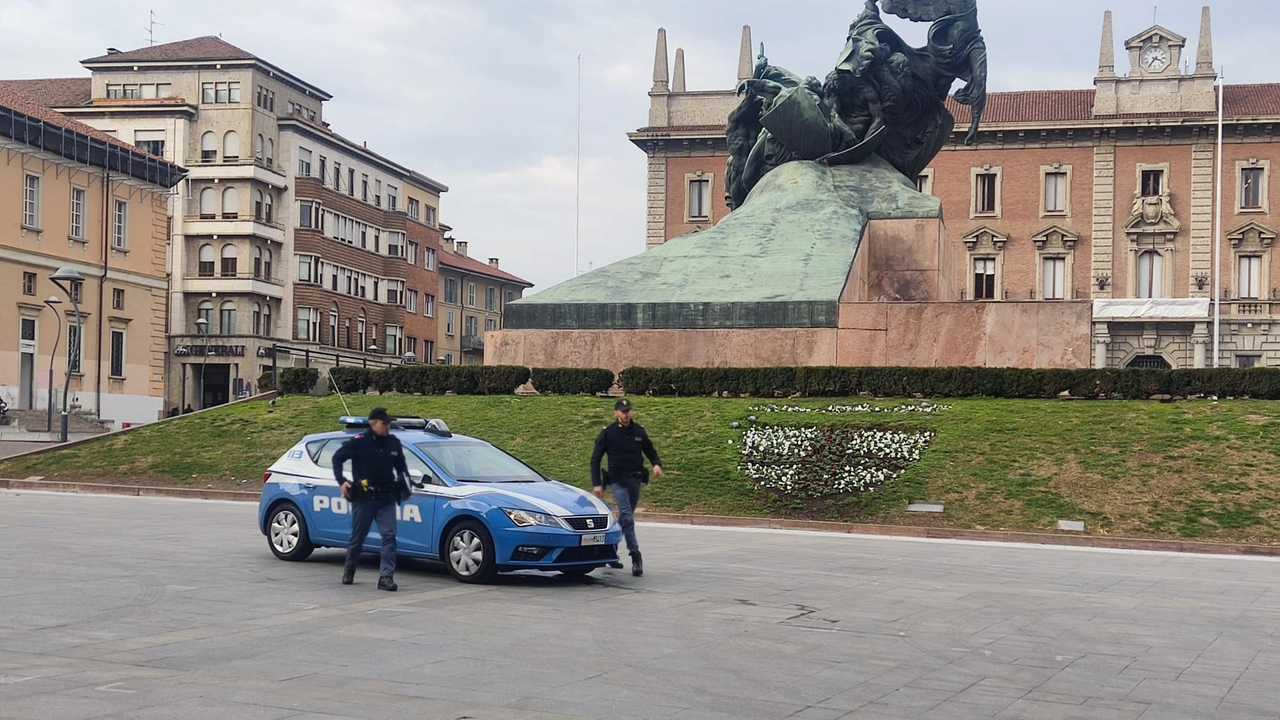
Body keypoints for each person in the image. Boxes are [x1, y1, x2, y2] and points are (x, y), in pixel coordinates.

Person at [332, 407, 411, 591]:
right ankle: (350, 568)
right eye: (385, 423)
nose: (388, 426)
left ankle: (386, 577)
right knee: (358, 537)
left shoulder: (393, 443)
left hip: (386, 498)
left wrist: (407, 487)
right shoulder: (359, 442)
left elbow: (402, 468)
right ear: (373, 424)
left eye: (389, 423)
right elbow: (337, 459)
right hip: (364, 498)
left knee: (389, 536)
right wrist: (342, 482)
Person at [590, 398, 663, 576]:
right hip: (618, 481)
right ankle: (635, 555)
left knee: (625, 518)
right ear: (616, 412)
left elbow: (650, 450)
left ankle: (609, 550)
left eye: (628, 410)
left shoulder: (639, 431)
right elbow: (596, 458)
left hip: (635, 480)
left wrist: (656, 464)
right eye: (622, 411)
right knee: (628, 517)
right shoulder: (609, 432)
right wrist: (597, 483)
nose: (626, 414)